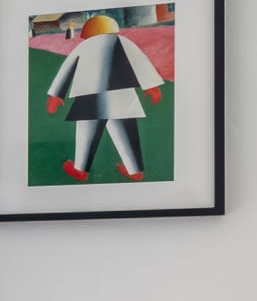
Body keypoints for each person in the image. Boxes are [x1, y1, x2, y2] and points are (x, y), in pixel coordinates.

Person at [43, 14, 165, 180]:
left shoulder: (83, 47)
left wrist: (56, 95)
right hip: (121, 95)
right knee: (125, 131)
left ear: (87, 31)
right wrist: (151, 85)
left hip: (88, 96)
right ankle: (135, 169)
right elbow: (140, 61)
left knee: (86, 132)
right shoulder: (122, 41)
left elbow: (67, 69)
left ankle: (80, 169)